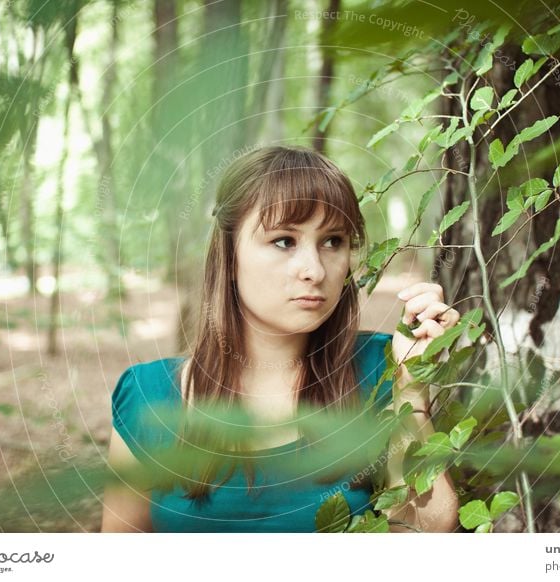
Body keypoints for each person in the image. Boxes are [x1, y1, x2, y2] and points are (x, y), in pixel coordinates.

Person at [101, 146, 460, 533]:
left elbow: (428, 528)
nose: (314, 269)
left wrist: (411, 391)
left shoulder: (382, 367)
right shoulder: (148, 395)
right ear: (229, 256)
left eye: (333, 241)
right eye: (284, 241)